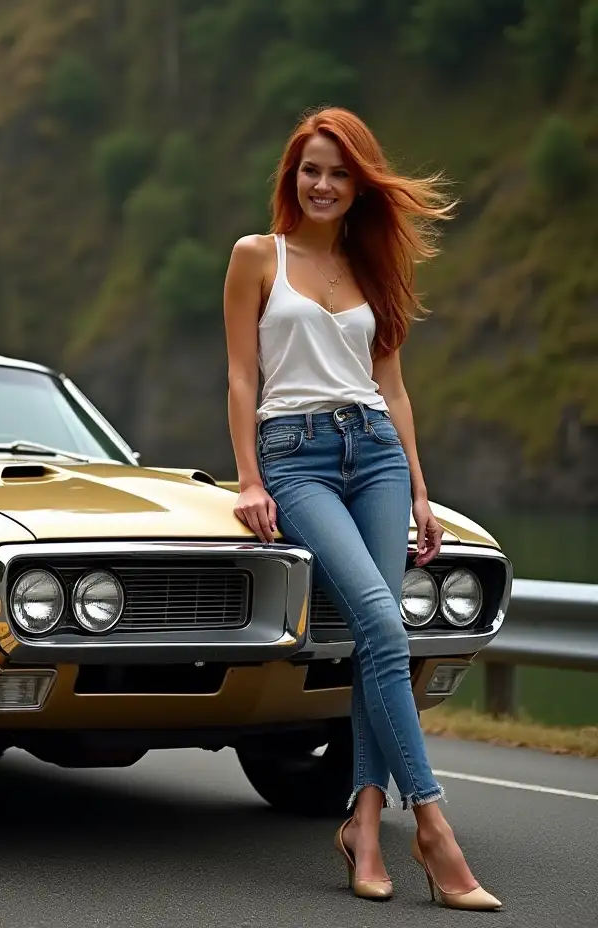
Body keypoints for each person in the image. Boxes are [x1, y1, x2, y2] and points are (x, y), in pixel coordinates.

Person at [222, 106, 502, 912]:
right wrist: (249, 478)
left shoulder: (372, 266)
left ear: (358, 185)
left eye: (339, 172)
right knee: (382, 626)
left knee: (379, 640)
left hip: (375, 451)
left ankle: (366, 827)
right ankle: (438, 832)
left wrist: (418, 485)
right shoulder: (256, 256)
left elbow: (392, 387)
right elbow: (243, 378)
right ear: (292, 175)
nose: (323, 184)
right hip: (296, 455)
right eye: (311, 169)